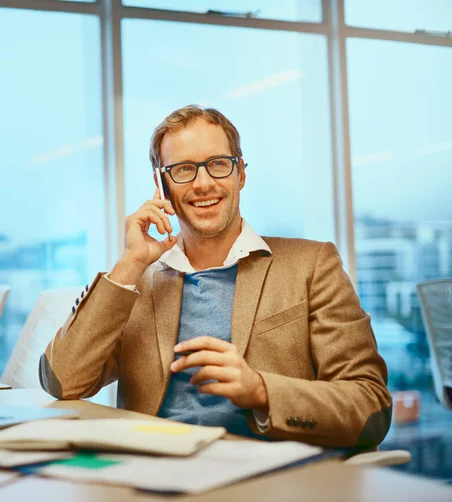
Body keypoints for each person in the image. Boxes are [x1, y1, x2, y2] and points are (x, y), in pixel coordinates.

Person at [39, 104, 392, 449]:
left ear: (240, 174)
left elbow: (371, 408)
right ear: (161, 185)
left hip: (266, 478)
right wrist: (130, 264)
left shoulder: (311, 265)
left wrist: (260, 390)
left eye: (218, 165)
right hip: (152, 474)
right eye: (183, 170)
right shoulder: (136, 282)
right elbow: (62, 381)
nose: (203, 183)